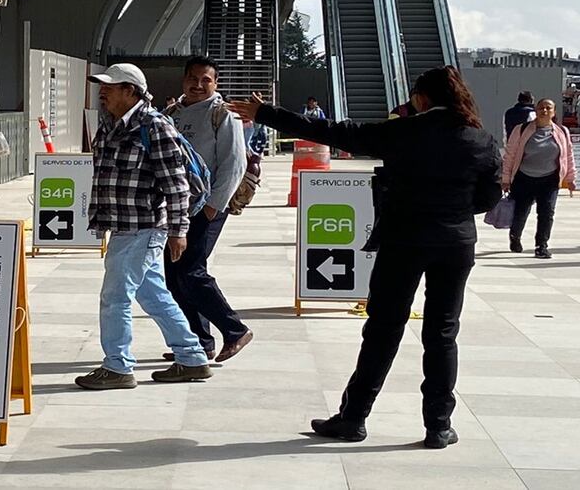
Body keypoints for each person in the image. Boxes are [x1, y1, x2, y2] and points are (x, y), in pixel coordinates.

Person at [230, 66, 501, 449]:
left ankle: (354, 417)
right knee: (442, 332)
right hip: (455, 244)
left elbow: (337, 132)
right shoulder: (482, 140)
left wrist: (268, 114)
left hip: (403, 240)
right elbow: (489, 198)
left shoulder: (405, 132)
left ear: (422, 98)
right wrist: (453, 210)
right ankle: (438, 425)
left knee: (383, 329)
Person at [76, 63, 212, 390]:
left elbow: (176, 186)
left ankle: (118, 366)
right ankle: (192, 357)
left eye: (111, 86)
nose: (102, 91)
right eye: (101, 85)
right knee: (152, 294)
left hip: (145, 226)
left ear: (131, 91)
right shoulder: (110, 125)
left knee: (115, 296)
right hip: (123, 226)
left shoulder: (154, 128)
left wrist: (178, 232)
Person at [161, 56, 252, 363]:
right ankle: (198, 341)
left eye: (206, 80)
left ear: (216, 84)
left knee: (191, 271)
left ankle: (235, 330)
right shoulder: (171, 113)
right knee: (173, 276)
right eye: (193, 79)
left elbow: (234, 163)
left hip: (207, 206)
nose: (198, 86)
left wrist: (214, 206)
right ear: (183, 80)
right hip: (177, 207)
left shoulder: (222, 114)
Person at [502, 98, 575, 258]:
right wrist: (506, 179)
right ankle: (515, 236)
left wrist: (570, 178)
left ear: (554, 112)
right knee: (521, 212)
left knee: (547, 213)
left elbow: (568, 155)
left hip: (549, 180)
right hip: (524, 178)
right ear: (535, 110)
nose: (544, 111)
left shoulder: (562, 132)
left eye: (548, 108)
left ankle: (541, 245)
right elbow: (510, 155)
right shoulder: (521, 130)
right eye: (541, 108)